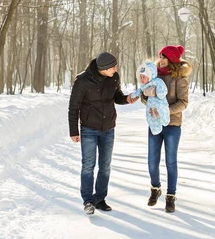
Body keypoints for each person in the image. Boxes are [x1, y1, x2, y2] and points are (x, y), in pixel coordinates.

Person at [68, 52, 138, 215]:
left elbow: (117, 97)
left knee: (105, 166)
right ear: (104, 68)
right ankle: (88, 200)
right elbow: (73, 107)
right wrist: (74, 131)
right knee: (88, 165)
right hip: (89, 129)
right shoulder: (83, 80)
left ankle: (100, 199)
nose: (116, 69)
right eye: (113, 66)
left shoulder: (114, 77)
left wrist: (126, 99)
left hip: (108, 128)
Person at [142, 45, 192, 213]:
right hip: (155, 124)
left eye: (164, 57)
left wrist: (164, 111)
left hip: (172, 125)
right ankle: (155, 189)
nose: (161, 60)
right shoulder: (154, 75)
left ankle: (171, 196)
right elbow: (145, 97)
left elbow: (183, 103)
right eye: (160, 56)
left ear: (172, 60)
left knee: (171, 161)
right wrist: (145, 96)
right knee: (152, 161)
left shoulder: (180, 79)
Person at [130, 61, 170, 135]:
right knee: (150, 116)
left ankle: (165, 120)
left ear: (150, 75)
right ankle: (155, 129)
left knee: (163, 110)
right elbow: (139, 91)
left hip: (160, 103)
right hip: (151, 105)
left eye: (144, 77)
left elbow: (163, 89)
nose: (142, 79)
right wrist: (133, 95)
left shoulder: (157, 81)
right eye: (140, 77)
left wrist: (159, 93)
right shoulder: (144, 86)